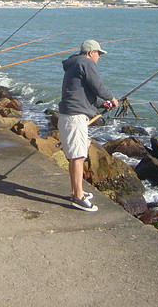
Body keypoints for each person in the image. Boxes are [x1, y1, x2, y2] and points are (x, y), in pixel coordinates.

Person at [59, 40, 119, 212]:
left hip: (70, 114)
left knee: (77, 155)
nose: (99, 57)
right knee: (78, 157)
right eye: (99, 53)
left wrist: (103, 104)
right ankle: (77, 197)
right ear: (91, 52)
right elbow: (98, 87)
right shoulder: (86, 62)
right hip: (75, 117)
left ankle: (76, 191)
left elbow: (86, 94)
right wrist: (112, 99)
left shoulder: (75, 65)